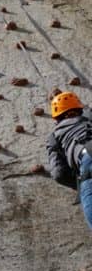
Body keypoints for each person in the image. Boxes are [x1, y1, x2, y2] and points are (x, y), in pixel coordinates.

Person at [46, 90, 92, 228]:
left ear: (56, 118)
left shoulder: (54, 136)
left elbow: (59, 173)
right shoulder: (89, 115)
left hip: (87, 161)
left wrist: (81, 182)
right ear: (79, 108)